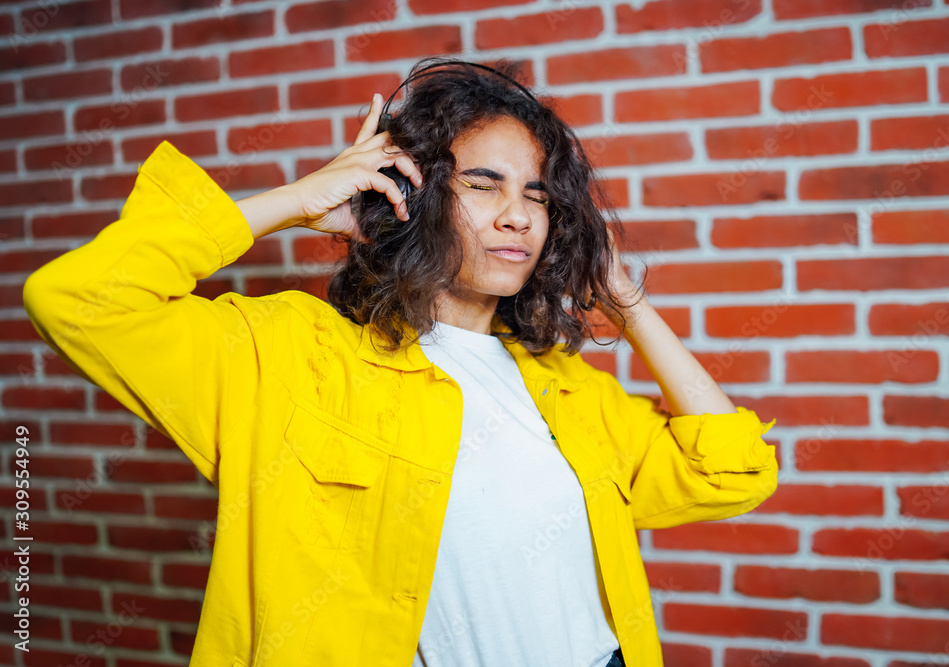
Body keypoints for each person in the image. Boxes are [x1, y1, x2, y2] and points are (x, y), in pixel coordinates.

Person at [23, 58, 778, 667]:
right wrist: (293, 199)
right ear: (410, 193)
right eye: (484, 184)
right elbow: (82, 299)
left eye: (538, 196)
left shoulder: (565, 389)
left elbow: (732, 471)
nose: (518, 214)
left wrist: (629, 304)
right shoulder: (292, 356)